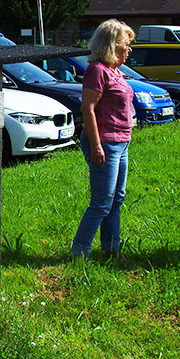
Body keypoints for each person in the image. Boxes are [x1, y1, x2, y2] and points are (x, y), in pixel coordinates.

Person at [71, 19, 135, 260]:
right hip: (105, 143)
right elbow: (87, 108)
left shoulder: (115, 71)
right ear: (112, 44)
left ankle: (111, 250)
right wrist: (97, 145)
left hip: (121, 143)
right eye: (126, 45)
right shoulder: (97, 69)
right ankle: (79, 253)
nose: (129, 50)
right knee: (101, 202)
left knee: (116, 199)